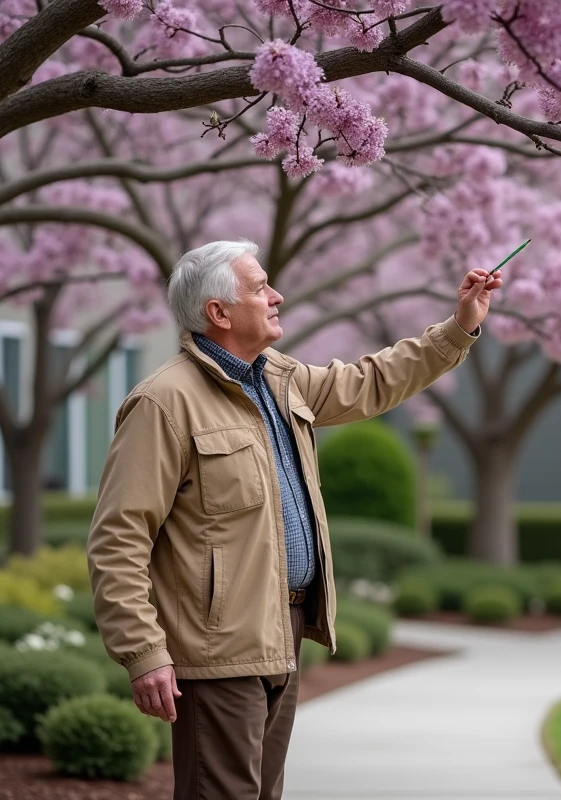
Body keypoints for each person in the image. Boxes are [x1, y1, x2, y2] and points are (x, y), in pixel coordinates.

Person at [86, 239, 502, 800]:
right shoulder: (164, 403)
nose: (277, 296)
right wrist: (142, 651)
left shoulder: (280, 379)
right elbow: (118, 539)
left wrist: (459, 326)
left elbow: (371, 381)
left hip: (282, 635)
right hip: (217, 652)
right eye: (260, 288)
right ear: (219, 312)